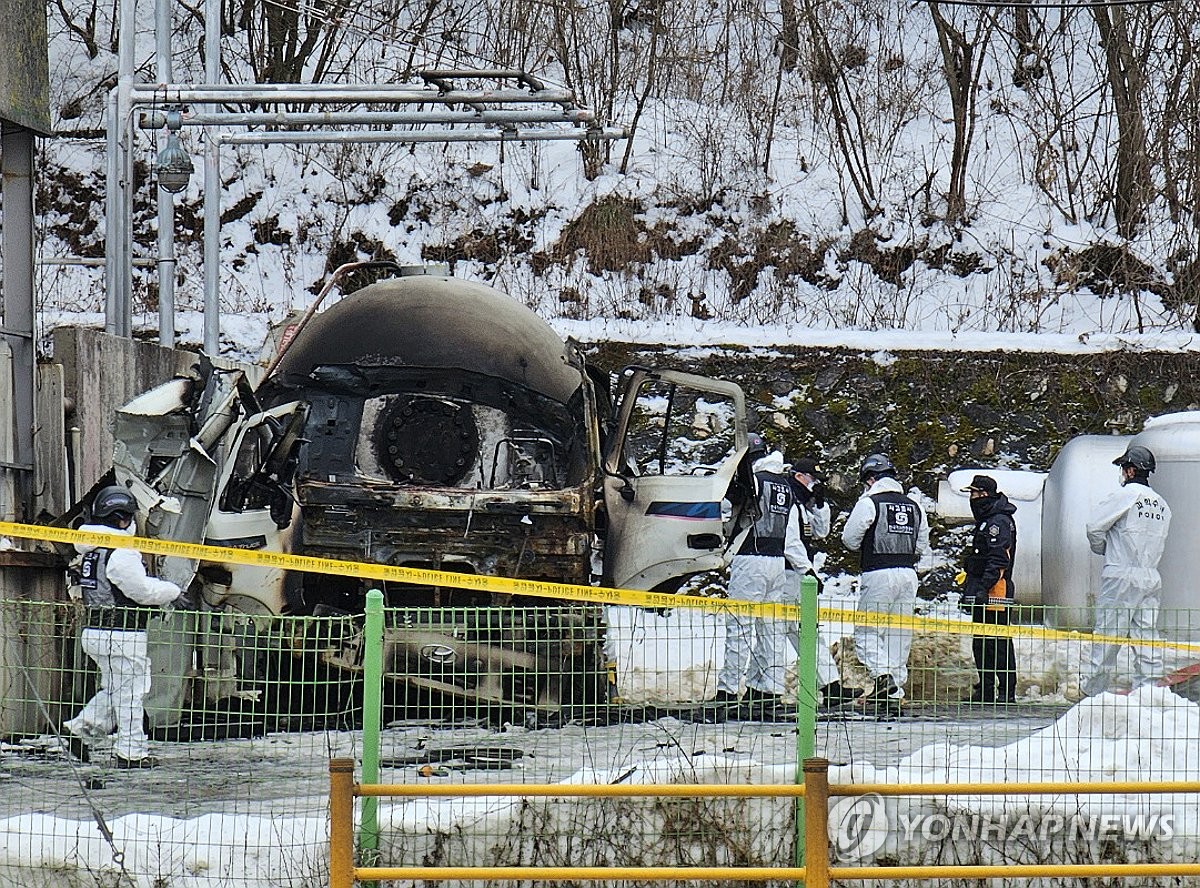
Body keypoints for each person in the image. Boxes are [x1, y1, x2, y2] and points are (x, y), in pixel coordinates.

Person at [63, 485, 184, 768]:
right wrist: (172, 592)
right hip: (122, 632)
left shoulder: (92, 549)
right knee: (131, 694)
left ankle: (80, 730)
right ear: (122, 518)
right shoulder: (121, 551)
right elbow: (140, 590)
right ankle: (131, 753)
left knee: (118, 689)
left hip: (95, 629)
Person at [716, 434, 812, 715]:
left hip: (750, 560)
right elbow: (792, 538)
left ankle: (728, 691)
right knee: (771, 630)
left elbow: (724, 511)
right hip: (776, 563)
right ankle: (769, 691)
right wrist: (806, 568)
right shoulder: (786, 488)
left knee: (740, 628)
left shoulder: (752, 482)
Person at [841, 453, 930, 719]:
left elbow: (849, 539)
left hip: (878, 572)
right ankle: (894, 693)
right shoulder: (915, 505)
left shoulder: (870, 503)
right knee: (898, 633)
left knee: (867, 632)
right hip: (908, 573)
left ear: (870, 479)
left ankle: (883, 677)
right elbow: (921, 544)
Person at [1083, 444, 1171, 696]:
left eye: (1124, 468)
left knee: (1108, 636)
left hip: (1120, 573)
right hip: (1150, 575)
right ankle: (1150, 692)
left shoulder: (1126, 495)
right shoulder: (1162, 505)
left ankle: (1093, 695)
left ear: (1131, 471)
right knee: (1146, 637)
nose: (1122, 473)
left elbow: (1094, 527)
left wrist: (1104, 550)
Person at [785, 457, 856, 709]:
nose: (815, 484)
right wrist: (808, 570)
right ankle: (759, 689)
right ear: (799, 477)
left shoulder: (802, 505)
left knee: (805, 631)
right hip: (787, 576)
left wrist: (821, 504)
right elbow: (790, 542)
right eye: (812, 479)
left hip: (797, 576)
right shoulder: (789, 501)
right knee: (784, 632)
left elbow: (820, 532)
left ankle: (832, 686)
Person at [958, 475, 1018, 704]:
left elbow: (998, 559)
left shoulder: (998, 522)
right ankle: (985, 688)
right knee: (981, 640)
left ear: (983, 494)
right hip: (983, 587)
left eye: (973, 493)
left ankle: (1005, 691)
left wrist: (984, 588)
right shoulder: (987, 519)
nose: (971, 498)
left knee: (998, 641)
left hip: (996, 590)